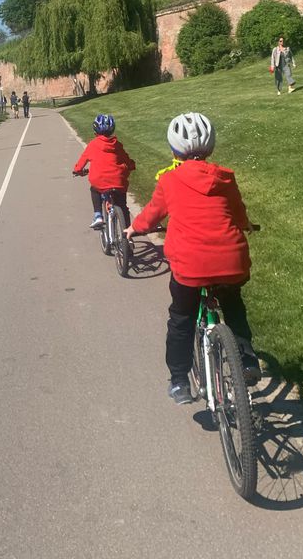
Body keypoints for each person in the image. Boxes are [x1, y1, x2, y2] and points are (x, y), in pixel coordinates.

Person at [123, 112, 261, 405]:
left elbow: (152, 215)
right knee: (233, 306)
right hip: (231, 261)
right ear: (210, 147)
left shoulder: (169, 180)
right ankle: (248, 360)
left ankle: (179, 381)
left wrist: (134, 228)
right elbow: (237, 211)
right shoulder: (225, 178)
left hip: (190, 266)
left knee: (181, 319)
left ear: (174, 150)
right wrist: (246, 224)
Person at [72, 114, 136, 228]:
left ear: (95, 131)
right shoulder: (117, 145)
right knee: (123, 206)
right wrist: (131, 165)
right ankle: (127, 232)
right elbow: (126, 159)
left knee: (94, 189)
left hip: (99, 180)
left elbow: (82, 162)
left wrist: (78, 170)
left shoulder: (93, 144)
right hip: (118, 181)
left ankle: (98, 215)